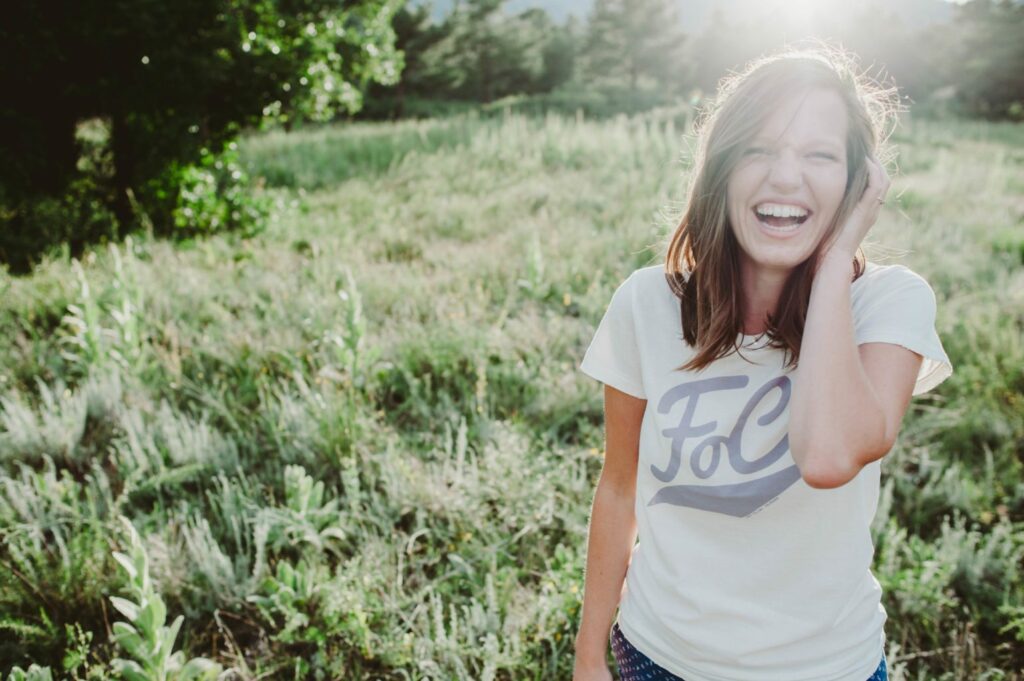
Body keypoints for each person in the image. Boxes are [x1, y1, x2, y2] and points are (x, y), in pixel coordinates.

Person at [572, 42, 954, 681]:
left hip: (826, 668)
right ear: (720, 169)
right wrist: (588, 654)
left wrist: (833, 266)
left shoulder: (889, 303)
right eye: (759, 149)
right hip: (657, 657)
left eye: (819, 155)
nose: (785, 177)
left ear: (858, 183)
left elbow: (829, 457)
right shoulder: (649, 301)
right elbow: (618, 487)